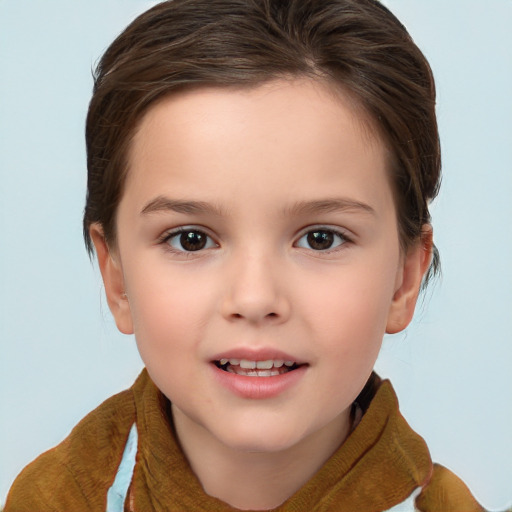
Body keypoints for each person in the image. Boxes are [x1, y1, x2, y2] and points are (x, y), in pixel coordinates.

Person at [4, 0, 485, 510]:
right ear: (117, 278)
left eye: (321, 238)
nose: (255, 299)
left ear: (403, 278)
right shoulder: (54, 498)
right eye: (191, 239)